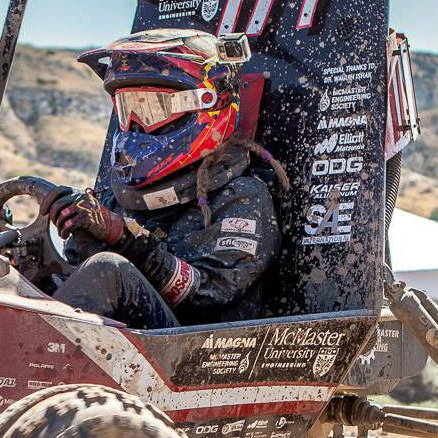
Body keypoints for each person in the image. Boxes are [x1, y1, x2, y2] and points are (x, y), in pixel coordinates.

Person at [48, 30, 280, 330]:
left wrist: (123, 237)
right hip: (115, 350)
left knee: (109, 270)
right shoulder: (113, 199)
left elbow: (208, 293)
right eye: (128, 109)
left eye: (153, 109)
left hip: (195, 357)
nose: (136, 125)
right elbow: (73, 284)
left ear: (206, 104)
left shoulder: (242, 196)